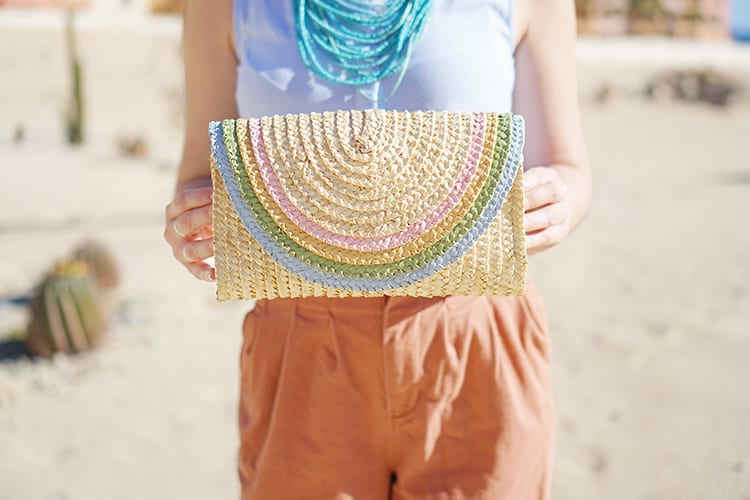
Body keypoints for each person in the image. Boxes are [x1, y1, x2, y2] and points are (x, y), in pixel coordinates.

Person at [164, 0, 591, 498]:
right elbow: (200, 174)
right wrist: (193, 224)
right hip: (301, 349)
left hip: (474, 338)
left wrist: (556, 204)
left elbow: (568, 166)